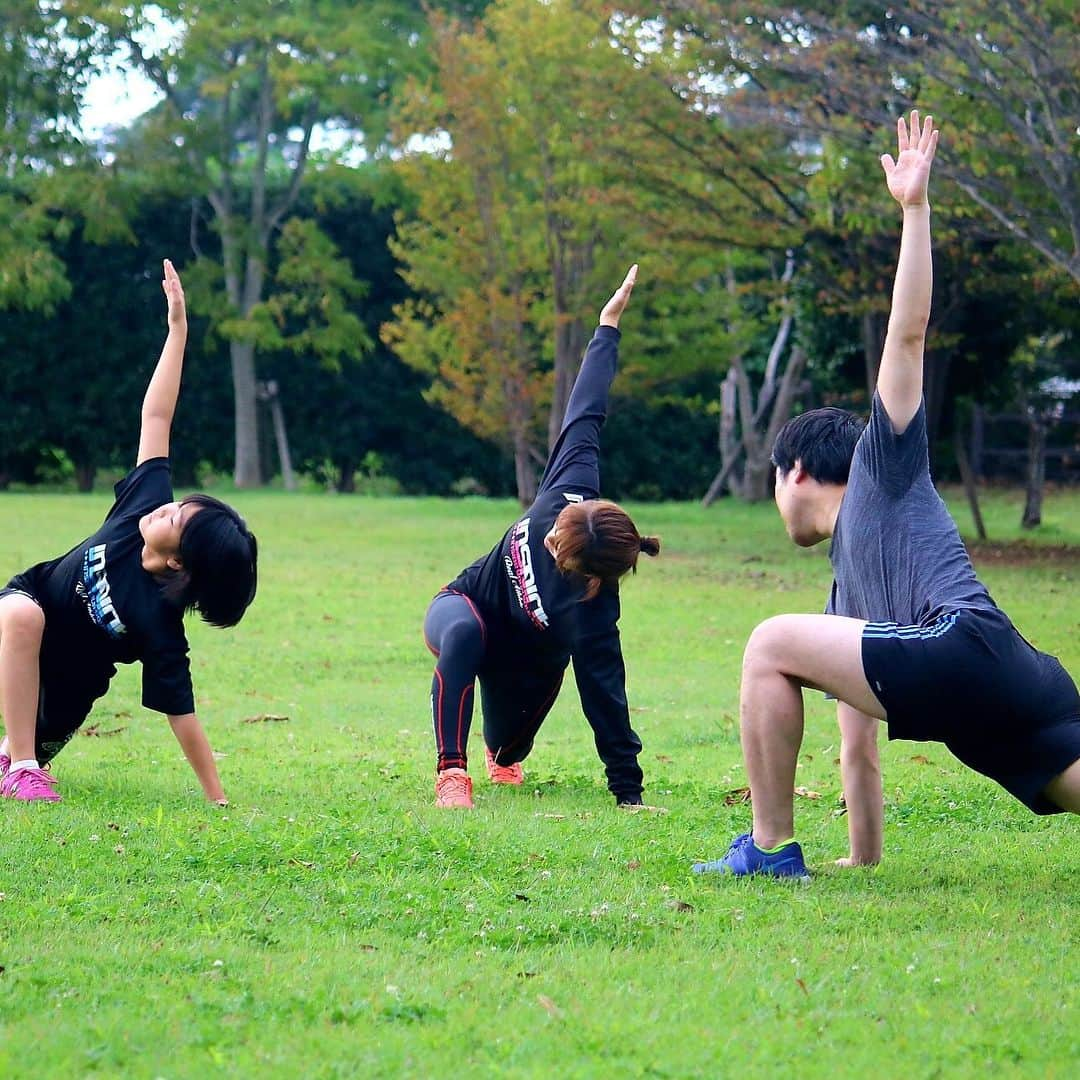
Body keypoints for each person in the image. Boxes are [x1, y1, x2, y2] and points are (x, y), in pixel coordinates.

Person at [693, 112, 1080, 880]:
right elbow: (856, 746)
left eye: (774, 483)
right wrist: (863, 861)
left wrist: (914, 209)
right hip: (1010, 679)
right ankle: (800, 854)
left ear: (795, 470)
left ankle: (768, 851)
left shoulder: (884, 465)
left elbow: (907, 337)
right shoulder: (847, 603)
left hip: (966, 643)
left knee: (769, 642)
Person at [0, 260, 258, 804]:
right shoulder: (140, 507)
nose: (166, 509)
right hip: (24, 615)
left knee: (15, 747)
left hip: (62, 697)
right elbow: (156, 417)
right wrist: (179, 331)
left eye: (176, 520)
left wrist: (218, 798)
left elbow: (182, 715)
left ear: (180, 565)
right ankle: (22, 766)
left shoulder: (158, 623)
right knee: (20, 614)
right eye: (178, 504)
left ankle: (18, 755)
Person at [423, 265, 660, 809]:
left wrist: (629, 793)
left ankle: (496, 754)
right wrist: (607, 327)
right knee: (461, 637)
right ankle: (451, 775)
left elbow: (607, 697)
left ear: (589, 574)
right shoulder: (569, 488)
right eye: (553, 530)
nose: (547, 538)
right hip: (468, 604)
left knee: (508, 748)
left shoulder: (592, 615)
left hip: (529, 662)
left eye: (556, 547)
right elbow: (588, 409)